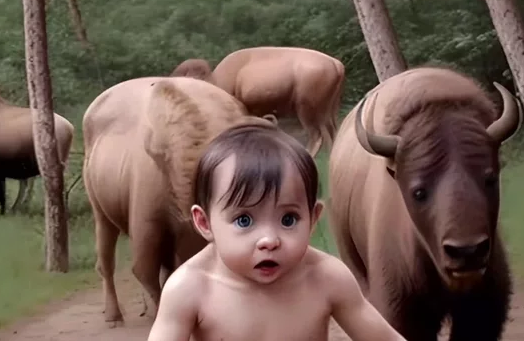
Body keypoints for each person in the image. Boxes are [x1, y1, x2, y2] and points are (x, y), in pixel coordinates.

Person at [147, 123, 407, 341]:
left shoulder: (326, 278)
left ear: (313, 218)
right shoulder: (190, 288)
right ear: (205, 223)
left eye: (288, 219)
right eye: (244, 220)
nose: (269, 240)